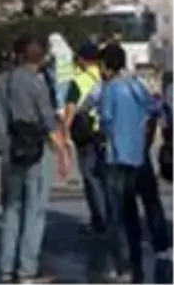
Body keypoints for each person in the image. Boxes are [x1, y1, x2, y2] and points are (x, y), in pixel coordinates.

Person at [0, 35, 70, 284]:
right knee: (34, 211)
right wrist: (62, 151)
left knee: (12, 210)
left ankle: (6, 266)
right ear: (41, 58)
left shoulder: (0, 82)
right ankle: (27, 269)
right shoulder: (37, 83)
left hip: (7, 153)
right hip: (34, 152)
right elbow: (47, 122)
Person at [95, 44, 170, 282]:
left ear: (105, 66)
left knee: (120, 214)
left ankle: (125, 265)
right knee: (150, 203)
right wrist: (145, 132)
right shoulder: (136, 85)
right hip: (139, 153)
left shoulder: (110, 90)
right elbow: (155, 107)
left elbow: (106, 121)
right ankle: (162, 248)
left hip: (116, 157)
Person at [62, 40, 106, 235]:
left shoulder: (78, 80)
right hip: (105, 133)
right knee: (106, 178)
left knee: (91, 179)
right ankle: (113, 217)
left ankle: (99, 221)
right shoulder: (106, 75)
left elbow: (70, 109)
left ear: (80, 59)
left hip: (86, 135)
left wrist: (64, 133)